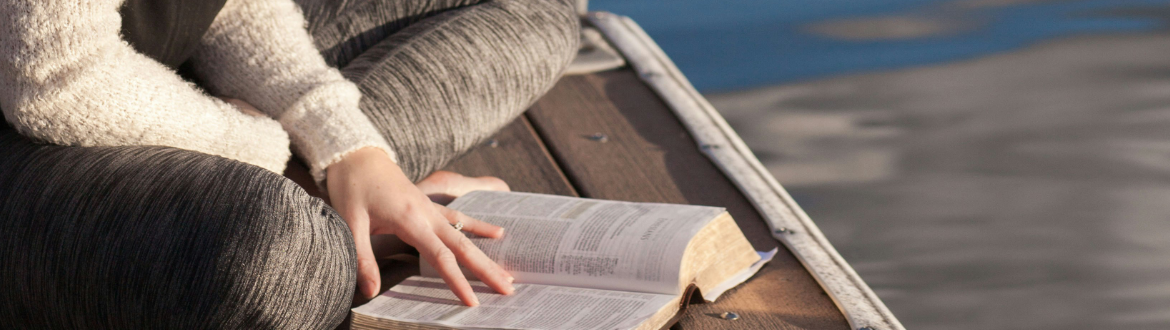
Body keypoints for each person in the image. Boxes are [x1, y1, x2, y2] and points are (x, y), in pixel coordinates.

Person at [0, 0, 578, 311]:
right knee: (277, 258)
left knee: (530, 11)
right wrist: (267, 148)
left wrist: (351, 148)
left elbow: (228, 8)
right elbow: (57, 80)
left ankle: (350, 213)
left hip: (162, 85)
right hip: (31, 143)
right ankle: (341, 228)